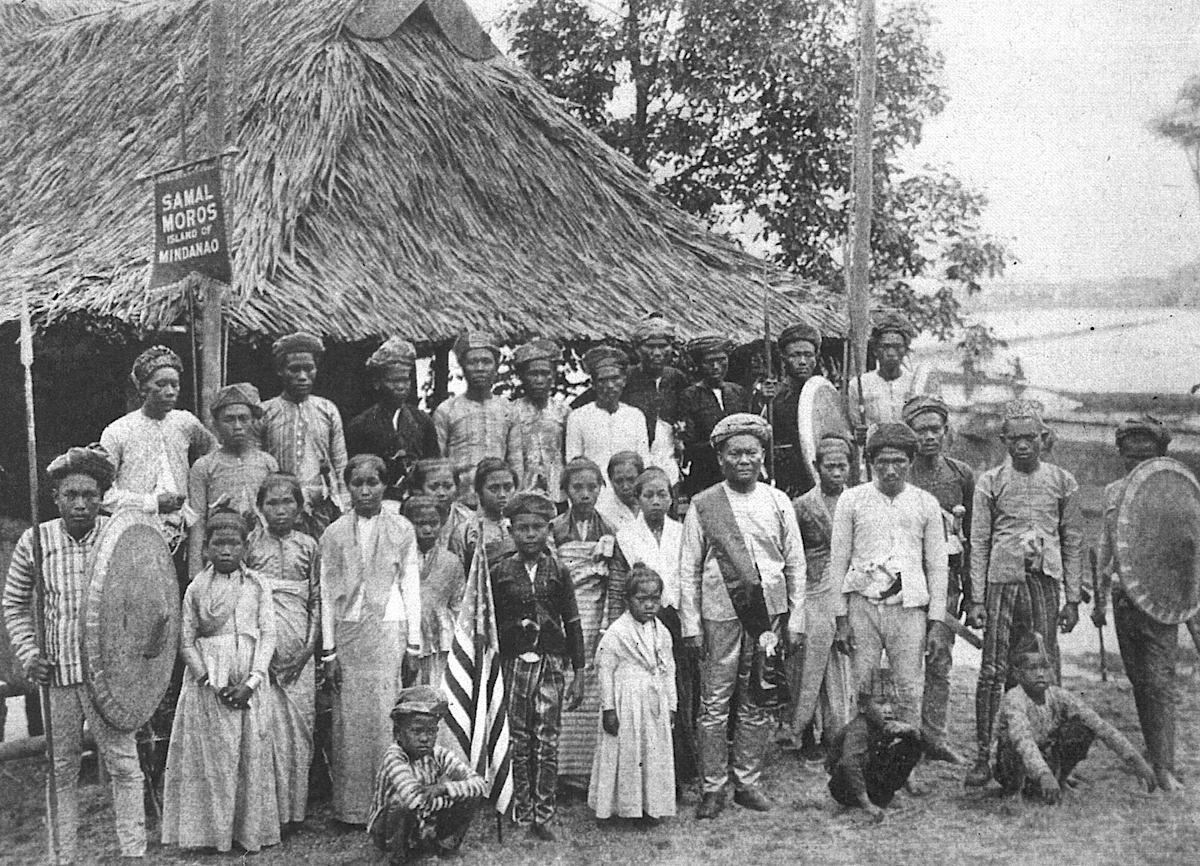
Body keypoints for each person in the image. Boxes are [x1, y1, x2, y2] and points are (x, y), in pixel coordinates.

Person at [2, 445, 147, 862]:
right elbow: (14, 602)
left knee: (123, 764)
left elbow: (143, 599)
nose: (81, 504)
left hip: (112, 678)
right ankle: (63, 856)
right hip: (58, 675)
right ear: (56, 497)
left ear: (102, 496)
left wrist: (136, 660)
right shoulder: (36, 538)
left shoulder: (119, 534)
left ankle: (133, 853)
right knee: (61, 770)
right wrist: (30, 654)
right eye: (71, 495)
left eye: (90, 495)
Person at [680, 413, 806, 817]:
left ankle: (747, 781)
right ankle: (713, 786)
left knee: (758, 696)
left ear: (762, 455)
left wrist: (797, 618)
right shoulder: (704, 505)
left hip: (768, 615)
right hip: (719, 613)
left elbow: (795, 564)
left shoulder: (777, 500)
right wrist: (691, 624)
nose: (743, 460)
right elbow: (687, 569)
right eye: (734, 453)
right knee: (714, 701)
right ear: (720, 457)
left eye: (751, 452)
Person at [966, 400, 1083, 787]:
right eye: (1014, 439)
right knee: (994, 670)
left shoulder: (1063, 481)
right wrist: (978, 599)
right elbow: (979, 541)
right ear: (1004, 440)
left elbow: (1072, 541)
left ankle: (1054, 761)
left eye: (1029, 438)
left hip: (1045, 584)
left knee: (1045, 669)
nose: (1022, 446)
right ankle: (985, 757)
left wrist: (1072, 598)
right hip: (1002, 585)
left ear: (1043, 438)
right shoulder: (990, 481)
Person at [161, 506, 279, 853]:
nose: (226, 551)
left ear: (246, 547)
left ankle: (247, 831)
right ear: (206, 549)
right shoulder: (196, 588)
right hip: (209, 686)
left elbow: (268, 634)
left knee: (248, 754)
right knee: (213, 759)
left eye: (233, 544)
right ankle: (211, 835)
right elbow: (185, 640)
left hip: (249, 680)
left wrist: (253, 681)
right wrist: (209, 681)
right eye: (218, 544)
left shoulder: (258, 586)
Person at [319, 454, 422, 825]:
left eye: (373, 483)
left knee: (385, 716)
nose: (365, 490)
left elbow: (410, 587)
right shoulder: (333, 533)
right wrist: (328, 652)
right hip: (349, 633)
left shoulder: (401, 529)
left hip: (388, 630)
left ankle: (391, 803)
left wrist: (414, 644)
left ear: (384, 485)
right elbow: (327, 592)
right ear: (347, 488)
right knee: (350, 721)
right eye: (357, 483)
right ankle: (353, 808)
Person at [830, 424, 949, 733]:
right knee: (862, 687)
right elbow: (838, 561)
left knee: (909, 689)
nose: (891, 470)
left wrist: (936, 622)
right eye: (882, 461)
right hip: (862, 608)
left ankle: (903, 761)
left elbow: (937, 565)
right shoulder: (852, 500)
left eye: (899, 461)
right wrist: (841, 619)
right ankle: (863, 757)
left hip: (907, 610)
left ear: (911, 461)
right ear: (871, 462)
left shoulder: (926, 503)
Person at [1093, 414, 1184, 792]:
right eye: (1129, 457)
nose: (1137, 464)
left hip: (1162, 600)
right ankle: (1154, 752)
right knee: (1139, 681)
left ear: (1160, 455)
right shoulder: (1114, 492)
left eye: (1145, 457)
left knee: (1160, 681)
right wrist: (1098, 598)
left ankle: (1165, 767)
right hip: (1124, 598)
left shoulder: (1174, 489)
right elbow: (1106, 547)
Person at [491, 491, 586, 840]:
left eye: (538, 527)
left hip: (550, 663)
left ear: (549, 529)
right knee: (519, 737)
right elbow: (490, 624)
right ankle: (522, 808)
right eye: (522, 528)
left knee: (547, 738)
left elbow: (573, 622)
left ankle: (545, 812)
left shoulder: (558, 570)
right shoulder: (499, 571)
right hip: (514, 664)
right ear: (511, 530)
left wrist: (579, 673)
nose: (530, 534)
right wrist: (516, 630)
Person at [989, 635, 1156, 803]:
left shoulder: (1058, 696)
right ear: (1018, 674)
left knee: (1082, 728)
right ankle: (1015, 790)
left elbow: (1099, 725)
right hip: (1010, 765)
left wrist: (1134, 759)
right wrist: (1043, 773)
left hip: (1044, 761)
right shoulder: (1015, 698)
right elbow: (1022, 740)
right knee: (1011, 741)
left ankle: (1060, 780)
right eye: (1032, 668)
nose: (1040, 673)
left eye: (1045, 667)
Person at [902, 394, 974, 763]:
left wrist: (972, 596)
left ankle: (935, 737)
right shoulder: (898, 472)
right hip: (904, 582)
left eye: (935, 429)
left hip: (947, 582)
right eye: (920, 430)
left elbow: (974, 537)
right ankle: (903, 739)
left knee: (940, 660)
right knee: (902, 663)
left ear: (946, 432)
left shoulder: (960, 475)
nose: (929, 437)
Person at [246, 473, 320, 828]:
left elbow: (317, 602)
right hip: (261, 656)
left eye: (287, 502)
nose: (280, 510)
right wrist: (264, 655)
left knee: (299, 733)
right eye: (272, 503)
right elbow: (245, 601)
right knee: (265, 732)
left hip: (300, 656)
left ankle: (295, 812)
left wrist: (306, 653)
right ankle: (268, 813)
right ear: (260, 509)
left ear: (300, 507)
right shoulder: (249, 546)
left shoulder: (309, 546)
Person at [101, 345, 216, 564]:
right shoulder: (118, 431)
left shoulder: (185, 423)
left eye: (175, 384)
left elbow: (214, 453)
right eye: (161, 384)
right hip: (134, 536)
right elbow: (104, 496)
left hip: (183, 537)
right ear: (143, 389)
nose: (170, 392)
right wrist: (152, 502)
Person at [614, 467, 694, 780]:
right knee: (648, 693)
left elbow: (690, 576)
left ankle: (682, 767)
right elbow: (622, 585)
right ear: (638, 499)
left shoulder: (682, 530)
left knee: (680, 691)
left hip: (678, 618)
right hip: (644, 619)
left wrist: (691, 623)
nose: (656, 501)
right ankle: (647, 771)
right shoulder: (626, 536)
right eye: (649, 495)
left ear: (672, 498)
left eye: (662, 494)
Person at [551, 458, 626, 779]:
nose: (585, 494)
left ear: (600, 489)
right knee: (563, 681)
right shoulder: (554, 528)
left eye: (591, 487)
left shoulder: (610, 527)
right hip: (562, 612)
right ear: (565, 490)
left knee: (593, 682)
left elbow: (615, 579)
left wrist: (609, 620)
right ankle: (559, 769)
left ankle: (586, 771)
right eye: (577, 487)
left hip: (596, 613)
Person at [589, 565, 677, 822]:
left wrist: (671, 704)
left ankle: (650, 805)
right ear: (628, 601)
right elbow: (605, 671)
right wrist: (608, 709)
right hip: (626, 700)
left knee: (651, 751)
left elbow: (668, 668)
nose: (649, 606)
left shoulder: (661, 631)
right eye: (642, 600)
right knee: (624, 752)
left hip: (653, 700)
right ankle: (619, 807)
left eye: (654, 599)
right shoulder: (617, 633)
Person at [788, 436, 855, 759]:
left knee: (841, 663)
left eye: (843, 467)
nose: (837, 473)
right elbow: (793, 555)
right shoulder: (802, 506)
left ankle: (838, 731)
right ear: (817, 467)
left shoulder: (856, 501)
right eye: (830, 467)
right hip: (814, 592)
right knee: (810, 664)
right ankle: (805, 731)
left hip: (845, 592)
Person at [369, 685, 487, 864]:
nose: (425, 738)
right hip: (388, 828)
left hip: (425, 818)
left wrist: (444, 788)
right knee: (400, 802)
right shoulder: (395, 756)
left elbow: (480, 784)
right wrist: (452, 796)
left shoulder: (437, 753)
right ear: (399, 733)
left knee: (470, 794)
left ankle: (444, 845)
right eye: (416, 731)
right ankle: (396, 855)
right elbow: (413, 799)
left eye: (431, 731)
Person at [260, 332, 349, 535]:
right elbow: (257, 464)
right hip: (279, 511)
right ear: (281, 371)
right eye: (294, 369)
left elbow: (341, 462)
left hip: (323, 508)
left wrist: (345, 509)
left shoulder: (327, 409)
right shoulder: (266, 412)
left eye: (309, 369)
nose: (302, 376)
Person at [189, 382, 279, 578]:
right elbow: (197, 520)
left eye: (243, 418)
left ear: (253, 421)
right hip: (222, 553)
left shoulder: (267, 463)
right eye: (229, 420)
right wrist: (196, 570)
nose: (237, 426)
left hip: (261, 552)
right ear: (216, 424)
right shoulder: (204, 466)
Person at [565, 346, 677, 489]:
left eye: (615, 378)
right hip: (595, 495)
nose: (610, 385)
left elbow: (644, 460)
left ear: (624, 380)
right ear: (593, 384)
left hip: (629, 493)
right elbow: (573, 464)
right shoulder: (578, 417)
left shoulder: (635, 416)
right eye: (603, 380)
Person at [346, 337, 439, 500]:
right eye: (394, 381)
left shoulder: (422, 421)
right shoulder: (360, 426)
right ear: (377, 383)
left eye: (405, 380)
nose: (401, 387)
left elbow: (433, 466)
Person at [825, 672, 923, 823]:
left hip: (868, 778)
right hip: (844, 788)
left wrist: (909, 730)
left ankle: (879, 797)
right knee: (854, 760)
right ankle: (862, 803)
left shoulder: (883, 723)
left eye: (891, 702)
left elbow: (920, 742)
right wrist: (866, 804)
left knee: (913, 740)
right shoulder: (859, 728)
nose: (888, 709)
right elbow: (849, 763)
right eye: (881, 703)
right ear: (863, 707)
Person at [752, 319, 822, 498]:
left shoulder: (823, 396)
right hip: (786, 480)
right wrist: (764, 402)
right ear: (783, 358)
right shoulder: (772, 398)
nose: (802, 361)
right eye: (795, 355)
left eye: (808, 355)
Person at [433, 331, 522, 472]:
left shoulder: (508, 410)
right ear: (462, 366)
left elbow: (515, 461)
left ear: (496, 366)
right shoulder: (446, 410)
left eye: (486, 362)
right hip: (460, 490)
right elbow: (438, 463)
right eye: (473, 362)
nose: (480, 368)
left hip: (498, 490)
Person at [404, 495, 465, 686]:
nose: (427, 529)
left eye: (433, 523)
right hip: (407, 635)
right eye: (420, 524)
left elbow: (458, 603)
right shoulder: (400, 558)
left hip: (441, 637)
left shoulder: (451, 561)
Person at [679, 334, 751, 497]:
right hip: (706, 475)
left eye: (721, 360)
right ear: (699, 365)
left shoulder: (737, 392)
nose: (716, 367)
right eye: (709, 362)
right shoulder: (689, 396)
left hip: (740, 471)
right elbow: (689, 443)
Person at [847, 312, 933, 431]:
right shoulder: (858, 384)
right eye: (885, 346)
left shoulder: (916, 383)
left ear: (906, 350)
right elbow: (854, 424)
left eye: (897, 347)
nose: (891, 353)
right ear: (875, 350)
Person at [510, 338, 571, 501]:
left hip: (557, 493)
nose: (539, 380)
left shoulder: (564, 412)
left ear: (553, 376)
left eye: (545, 373)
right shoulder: (512, 411)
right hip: (522, 492)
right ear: (522, 377)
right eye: (533, 374)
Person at [621, 314, 687, 455]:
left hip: (667, 455)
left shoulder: (676, 378)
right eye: (650, 346)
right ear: (638, 349)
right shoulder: (624, 377)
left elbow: (685, 413)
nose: (657, 353)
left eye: (663, 346)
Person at [462, 457, 518, 568]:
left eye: (508, 487)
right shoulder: (466, 529)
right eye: (494, 489)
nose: (502, 494)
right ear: (479, 492)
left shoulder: (525, 524)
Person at [597, 450, 644, 531]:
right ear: (610, 481)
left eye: (631, 480)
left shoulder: (652, 504)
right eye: (619, 481)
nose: (625, 487)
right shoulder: (602, 513)